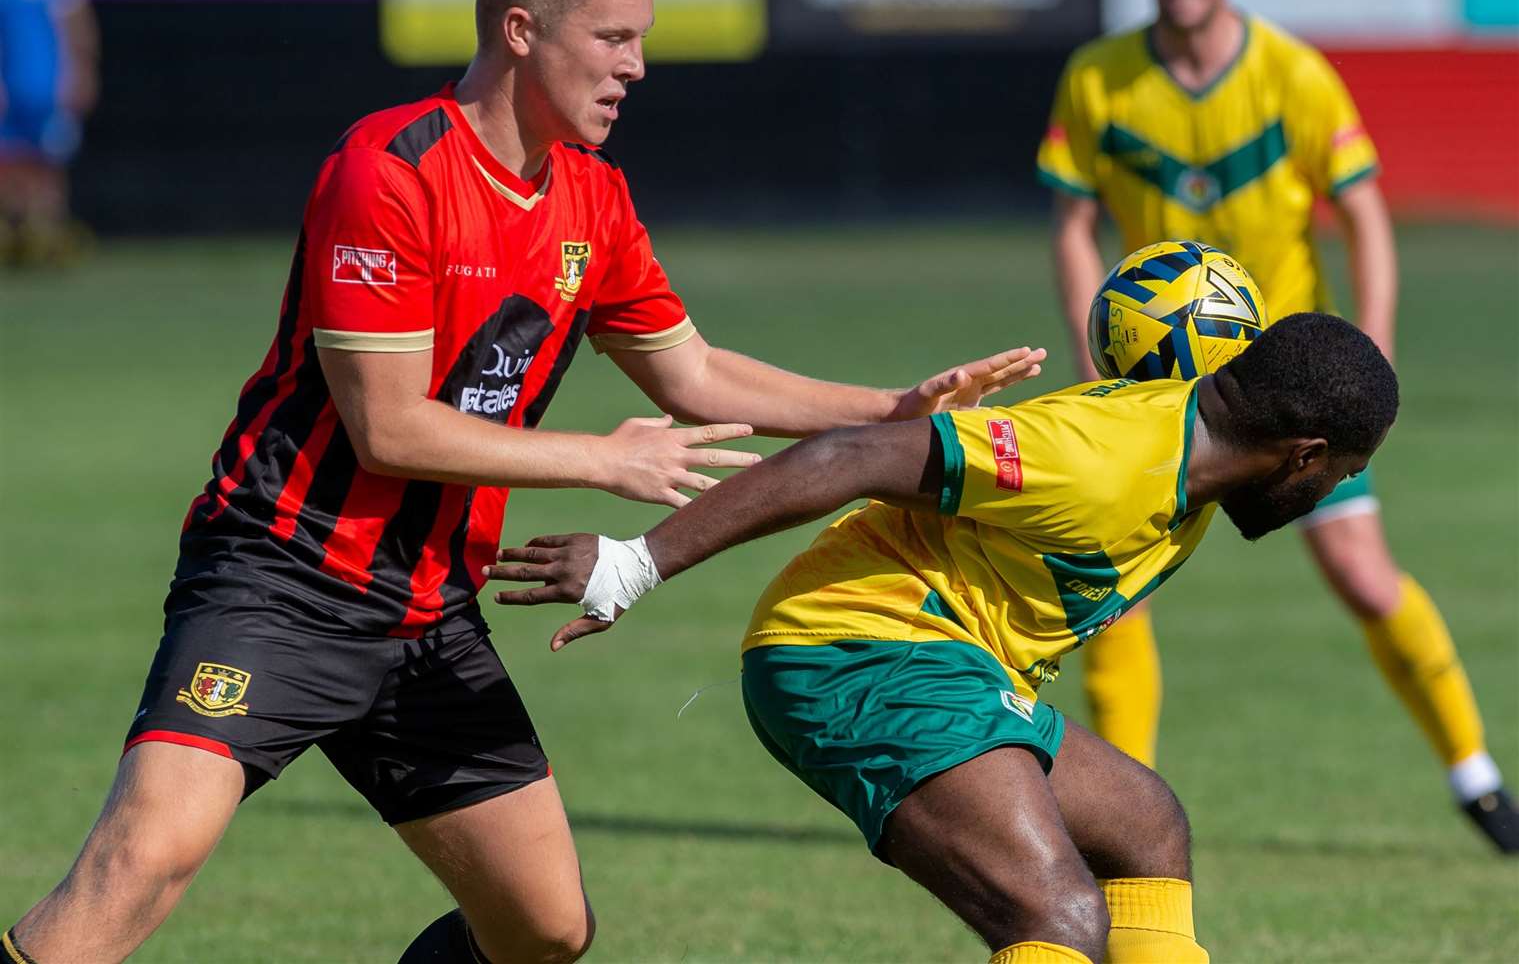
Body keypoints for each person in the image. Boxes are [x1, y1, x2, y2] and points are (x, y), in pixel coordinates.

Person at [0, 0, 1047, 964]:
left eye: (638, 39)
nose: (636, 66)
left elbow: (689, 371)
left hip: (426, 616)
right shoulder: (391, 169)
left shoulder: (592, 198)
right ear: (519, 31)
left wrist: (889, 408)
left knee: (543, 931)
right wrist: (601, 459)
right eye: (613, 38)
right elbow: (389, 430)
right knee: (146, 858)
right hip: (280, 580)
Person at [484, 312, 1400, 964]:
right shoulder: (1102, 460)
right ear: (1303, 453)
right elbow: (840, 457)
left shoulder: (1195, 455)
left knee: (1145, 827)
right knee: (1055, 918)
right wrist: (633, 565)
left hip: (948, 665)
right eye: (1342, 474)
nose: (1330, 495)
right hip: (856, 652)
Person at [1034, 0, 1516, 851]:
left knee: (1366, 579)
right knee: (1109, 593)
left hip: (1289, 386)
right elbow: (1071, 222)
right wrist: (1098, 342)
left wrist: (1367, 347)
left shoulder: (1293, 74)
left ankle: (1479, 782)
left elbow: (1366, 214)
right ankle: (1120, 817)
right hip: (1156, 392)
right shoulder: (1096, 79)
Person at [0, 0, 97, 266]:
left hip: (46, 86)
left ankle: (48, 239)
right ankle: (15, 238)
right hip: (9, 88)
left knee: (47, 163)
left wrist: (83, 73)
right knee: (8, 163)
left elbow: (77, 27)